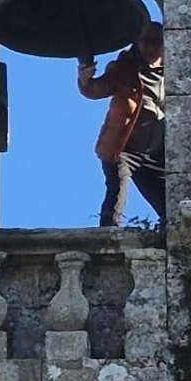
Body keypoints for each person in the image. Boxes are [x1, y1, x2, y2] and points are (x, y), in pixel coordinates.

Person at [77, 19, 165, 227]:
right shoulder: (123, 69)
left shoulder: (175, 74)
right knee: (117, 189)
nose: (151, 47)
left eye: (157, 42)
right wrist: (85, 79)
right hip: (121, 148)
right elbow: (94, 89)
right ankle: (108, 236)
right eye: (146, 41)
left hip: (153, 153)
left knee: (167, 202)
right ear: (137, 43)